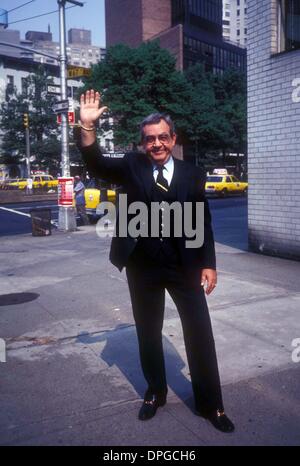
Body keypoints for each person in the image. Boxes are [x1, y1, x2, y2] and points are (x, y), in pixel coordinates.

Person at [78, 89, 234, 433]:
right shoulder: (132, 167)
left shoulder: (192, 174)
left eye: (163, 137)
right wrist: (87, 129)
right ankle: (155, 393)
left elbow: (201, 221)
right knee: (148, 332)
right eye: (150, 139)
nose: (157, 144)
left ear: (174, 138)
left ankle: (212, 405)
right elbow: (96, 164)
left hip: (184, 266)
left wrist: (209, 263)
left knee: (199, 333)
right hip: (143, 266)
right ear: (142, 143)